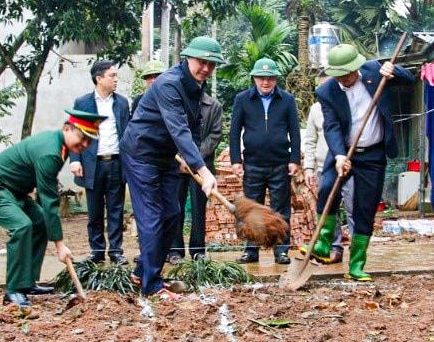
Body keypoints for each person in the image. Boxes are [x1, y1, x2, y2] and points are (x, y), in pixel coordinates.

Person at [120, 36, 222, 299]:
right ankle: (152, 285)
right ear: (188, 57)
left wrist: (195, 160)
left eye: (212, 64)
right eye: (202, 62)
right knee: (152, 216)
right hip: (141, 154)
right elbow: (178, 129)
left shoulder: (197, 85)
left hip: (165, 156)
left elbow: (195, 127)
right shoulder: (169, 84)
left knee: (173, 214)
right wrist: (203, 170)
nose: (206, 69)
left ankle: (143, 270)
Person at [300, 44, 413, 281]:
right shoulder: (327, 91)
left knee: (365, 207)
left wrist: (395, 71)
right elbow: (330, 126)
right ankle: (323, 243)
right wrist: (340, 155)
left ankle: (357, 265)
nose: (343, 79)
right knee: (327, 187)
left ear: (356, 68)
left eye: (347, 74)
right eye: (338, 75)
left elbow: (410, 80)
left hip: (372, 154)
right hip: (343, 151)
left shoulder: (374, 71)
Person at [0, 109, 103, 308]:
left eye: (89, 141)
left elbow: (45, 198)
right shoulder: (51, 152)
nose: (84, 145)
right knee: (22, 226)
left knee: (39, 222)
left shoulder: (61, 146)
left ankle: (26, 282)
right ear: (67, 129)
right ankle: (13, 291)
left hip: (13, 191)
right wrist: (59, 245)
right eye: (82, 138)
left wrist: (55, 236)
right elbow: (49, 200)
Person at [230, 58, 300, 265]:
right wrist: (236, 160)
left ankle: (282, 250)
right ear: (254, 79)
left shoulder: (286, 100)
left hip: (280, 163)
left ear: (276, 79)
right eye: (261, 78)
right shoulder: (243, 99)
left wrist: (294, 159)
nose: (265, 82)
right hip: (253, 163)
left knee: (281, 209)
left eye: (270, 78)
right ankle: (251, 250)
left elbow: (294, 132)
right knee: (251, 209)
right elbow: (234, 132)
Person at [69, 60, 131, 265]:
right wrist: (75, 160)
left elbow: (127, 133)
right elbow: (73, 134)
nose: (115, 79)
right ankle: (96, 251)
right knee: (94, 211)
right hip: (91, 164)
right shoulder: (83, 103)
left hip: (115, 162)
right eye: (112, 75)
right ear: (99, 78)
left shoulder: (121, 103)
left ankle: (116, 251)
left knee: (116, 209)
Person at [303, 71, 355, 263]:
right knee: (327, 207)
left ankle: (357, 251)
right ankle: (334, 248)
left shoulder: (349, 104)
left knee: (353, 207)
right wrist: (308, 168)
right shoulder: (316, 110)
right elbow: (310, 140)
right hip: (323, 167)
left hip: (350, 165)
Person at [168, 90, 223, 262]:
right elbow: (171, 131)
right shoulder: (177, 103)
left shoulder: (214, 106)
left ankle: (198, 250)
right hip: (177, 165)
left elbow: (215, 135)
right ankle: (175, 251)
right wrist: (181, 157)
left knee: (199, 210)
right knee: (175, 208)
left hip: (202, 166)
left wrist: (194, 159)